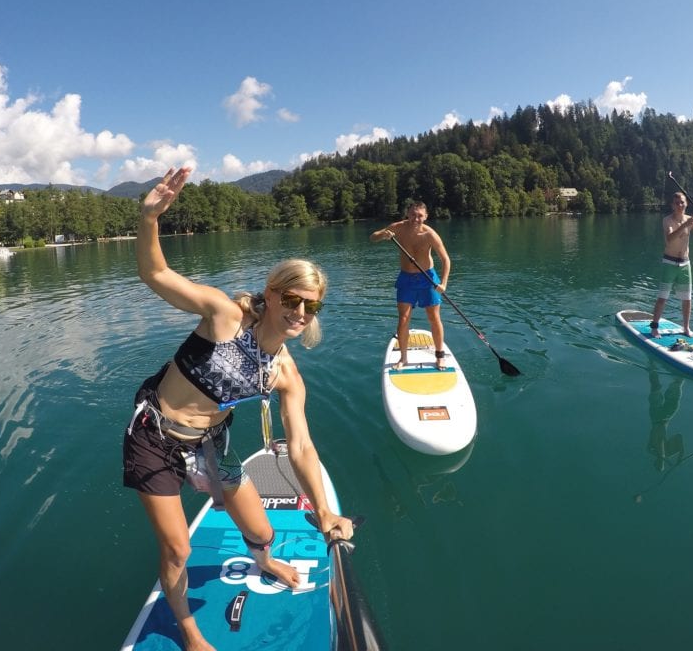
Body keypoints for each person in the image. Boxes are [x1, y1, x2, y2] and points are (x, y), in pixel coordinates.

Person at [123, 167, 354, 651]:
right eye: (292, 300)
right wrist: (149, 219)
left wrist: (326, 511)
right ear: (271, 295)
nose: (300, 313)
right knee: (178, 547)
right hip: (155, 434)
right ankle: (188, 632)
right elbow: (155, 274)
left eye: (311, 307)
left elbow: (302, 447)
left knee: (262, 532)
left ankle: (264, 559)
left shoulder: (286, 373)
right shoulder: (225, 316)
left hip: (212, 442)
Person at [370, 201, 451, 370]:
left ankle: (439, 355)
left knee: (434, 318)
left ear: (426, 216)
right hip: (406, 279)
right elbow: (373, 237)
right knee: (403, 318)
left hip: (427, 278)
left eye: (420, 215)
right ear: (408, 213)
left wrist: (443, 283)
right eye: (413, 214)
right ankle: (403, 358)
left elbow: (445, 260)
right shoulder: (398, 227)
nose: (416, 218)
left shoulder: (430, 234)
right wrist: (383, 234)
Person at [649, 191, 693, 338]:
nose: (680, 205)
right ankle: (654, 327)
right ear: (672, 205)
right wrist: (685, 225)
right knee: (662, 297)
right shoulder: (667, 220)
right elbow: (670, 238)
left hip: (685, 264)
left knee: (687, 299)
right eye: (677, 203)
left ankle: (686, 328)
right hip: (669, 263)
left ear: (686, 204)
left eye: (682, 202)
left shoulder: (691, 220)